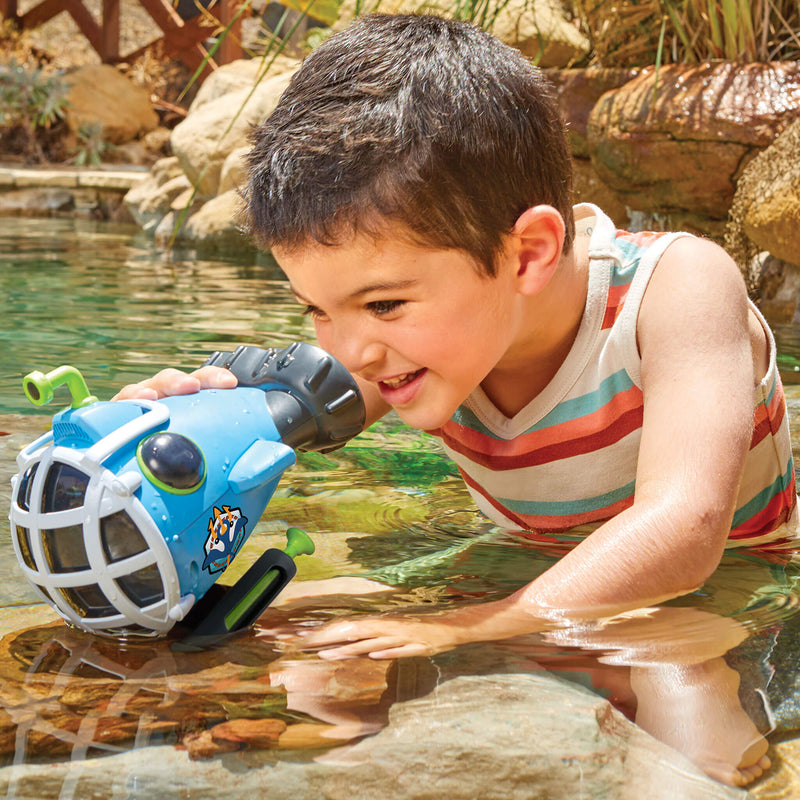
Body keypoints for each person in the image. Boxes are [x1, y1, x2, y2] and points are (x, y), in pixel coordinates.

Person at [115, 13, 798, 785]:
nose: (350, 351)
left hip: (716, 597)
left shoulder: (676, 290)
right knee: (273, 623)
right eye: (316, 309)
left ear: (528, 254)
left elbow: (686, 528)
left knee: (678, 687)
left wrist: (468, 628)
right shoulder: (419, 343)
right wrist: (177, 435)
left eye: (382, 305)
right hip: (516, 574)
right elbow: (275, 417)